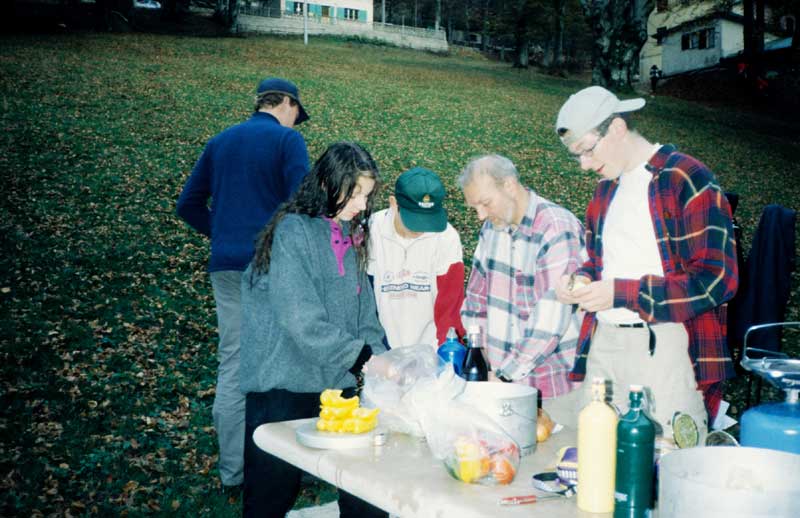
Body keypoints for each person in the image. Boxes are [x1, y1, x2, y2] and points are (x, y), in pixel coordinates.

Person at [553, 86, 738, 439]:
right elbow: (600, 262)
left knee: (669, 459)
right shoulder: (606, 189)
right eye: (576, 156)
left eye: (587, 151)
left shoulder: (685, 178)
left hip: (664, 345)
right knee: (596, 455)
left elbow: (717, 279)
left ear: (618, 128)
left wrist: (622, 294)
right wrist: (580, 279)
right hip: (603, 344)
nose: (585, 165)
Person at [239, 141, 389, 518]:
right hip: (282, 386)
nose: (362, 205)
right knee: (271, 496)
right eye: (354, 194)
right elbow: (299, 319)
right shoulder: (292, 232)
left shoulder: (352, 234)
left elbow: (364, 316)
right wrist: (364, 360)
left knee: (365, 491)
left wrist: (387, 364)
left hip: (335, 387)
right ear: (326, 184)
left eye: (367, 196)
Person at [176, 77, 310, 492]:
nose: (295, 122)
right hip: (271, 268)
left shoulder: (220, 142)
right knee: (285, 364)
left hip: (227, 268)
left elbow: (187, 205)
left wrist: (222, 234)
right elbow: (302, 206)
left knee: (233, 363)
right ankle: (283, 467)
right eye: (295, 114)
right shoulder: (288, 144)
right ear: (286, 104)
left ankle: (233, 472)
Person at [459, 154, 586, 428]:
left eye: (485, 203)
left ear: (509, 185)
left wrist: (506, 375)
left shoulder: (556, 228)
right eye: (474, 207)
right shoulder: (491, 229)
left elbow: (551, 320)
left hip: (553, 389)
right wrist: (480, 357)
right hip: (500, 384)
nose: (480, 215)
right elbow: (475, 300)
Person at [368, 167, 466, 349]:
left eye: (427, 219)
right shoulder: (372, 231)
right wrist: (377, 351)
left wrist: (445, 352)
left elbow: (451, 307)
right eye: (413, 219)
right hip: (382, 349)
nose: (421, 228)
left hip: (431, 350)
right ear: (393, 203)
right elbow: (365, 302)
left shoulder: (446, 237)